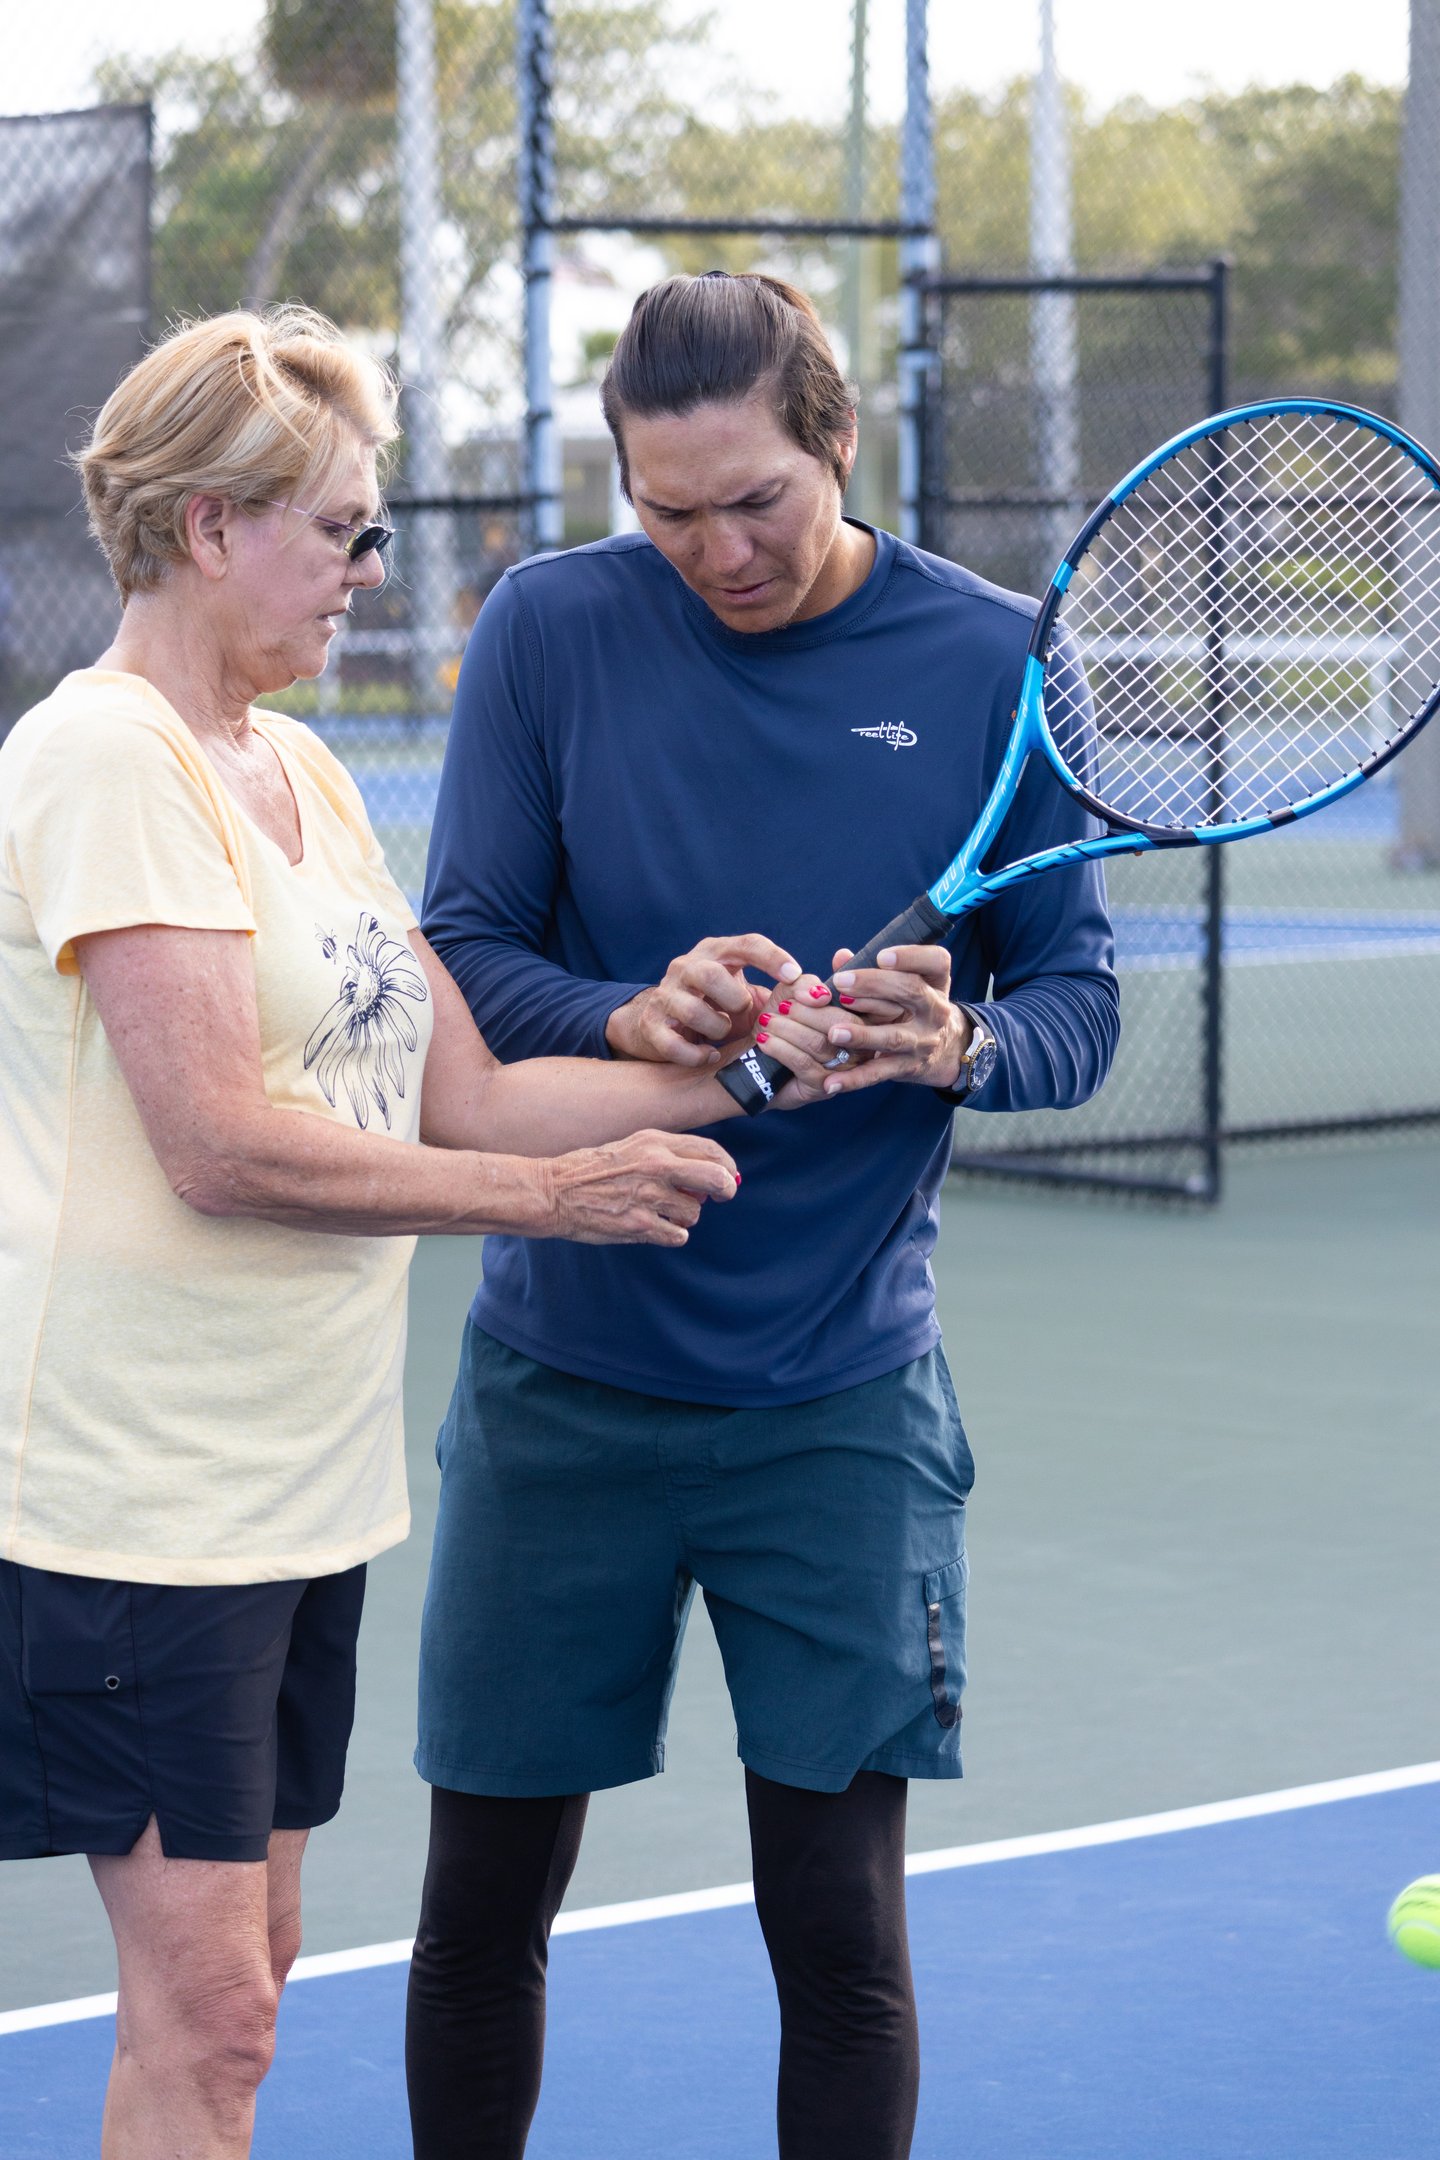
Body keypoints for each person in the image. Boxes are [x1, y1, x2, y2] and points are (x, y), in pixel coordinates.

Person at [0, 304, 820, 2160]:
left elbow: (477, 1096)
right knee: (212, 2018)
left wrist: (774, 1068)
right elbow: (220, 1144)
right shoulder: (109, 755)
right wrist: (553, 1207)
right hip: (143, 1501)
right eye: (345, 530)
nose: (374, 569)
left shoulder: (298, 771)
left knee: (251, 1977)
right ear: (210, 527)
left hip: (298, 1487)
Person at [408, 272, 1121, 2159]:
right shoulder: (549, 628)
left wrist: (961, 1043)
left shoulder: (994, 662)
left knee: (837, 1937)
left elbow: (1080, 1005)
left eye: (757, 503)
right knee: (480, 1917)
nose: (717, 550)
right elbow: (465, 957)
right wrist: (629, 1014)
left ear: (840, 444)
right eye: (669, 511)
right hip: (562, 1383)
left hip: (839, 1403)